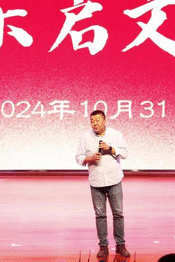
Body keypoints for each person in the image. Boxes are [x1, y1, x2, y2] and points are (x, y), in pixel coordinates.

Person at [76, 110, 129, 260]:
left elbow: (125, 153)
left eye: (98, 120)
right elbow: (78, 157)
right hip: (96, 181)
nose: (95, 124)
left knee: (118, 214)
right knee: (100, 215)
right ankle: (103, 246)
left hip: (114, 179)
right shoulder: (85, 137)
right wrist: (89, 158)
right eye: (92, 121)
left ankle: (120, 244)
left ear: (105, 121)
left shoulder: (116, 135)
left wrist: (111, 149)